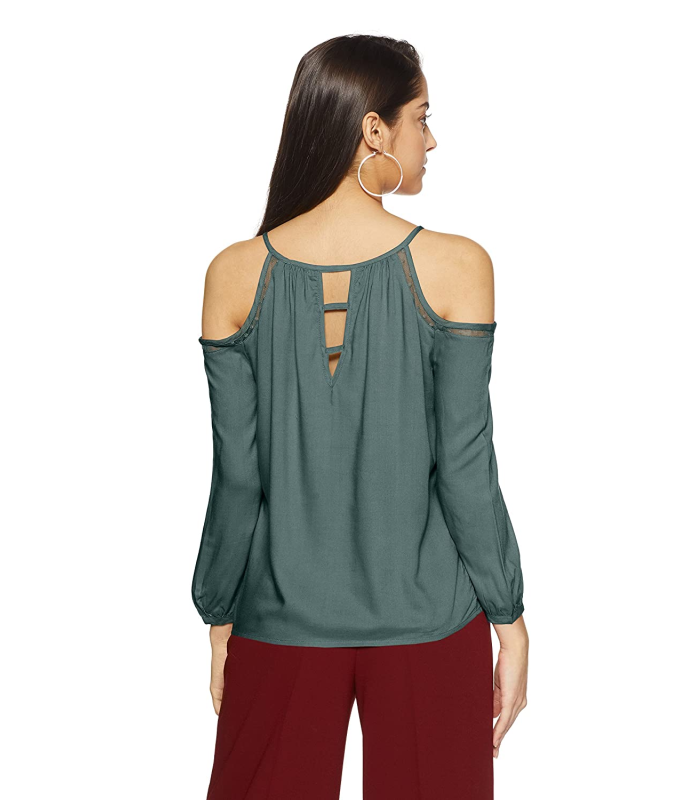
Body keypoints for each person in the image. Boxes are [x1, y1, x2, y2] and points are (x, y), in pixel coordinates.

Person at [191, 34, 529, 800]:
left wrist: (219, 612)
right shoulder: (459, 266)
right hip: (432, 623)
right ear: (375, 130)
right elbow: (465, 466)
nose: (431, 140)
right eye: (422, 117)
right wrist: (508, 618)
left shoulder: (232, 274)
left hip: (278, 618)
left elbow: (238, 476)